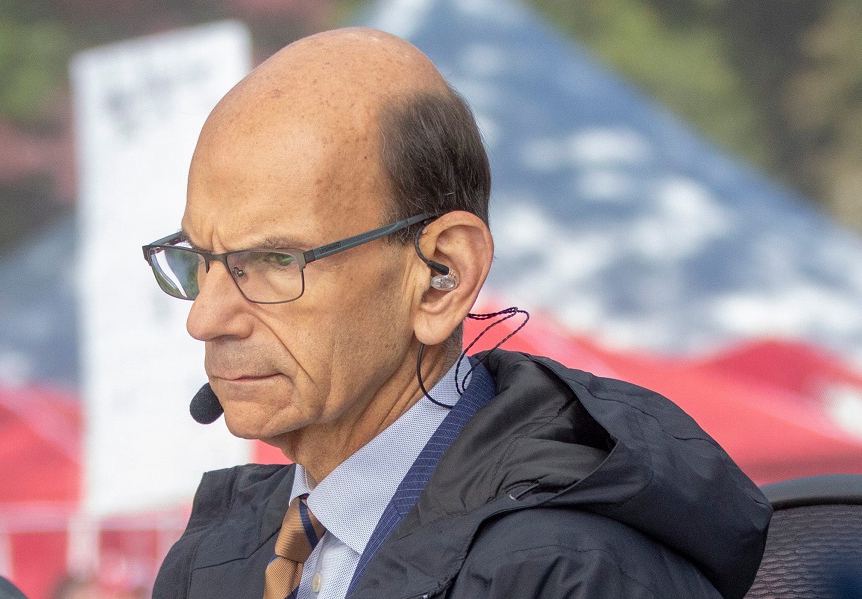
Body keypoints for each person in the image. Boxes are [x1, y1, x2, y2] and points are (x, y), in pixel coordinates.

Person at [145, 27, 771, 599]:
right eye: (200, 259)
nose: (205, 318)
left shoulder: (569, 573)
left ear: (441, 278)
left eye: (276, 259)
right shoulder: (211, 561)